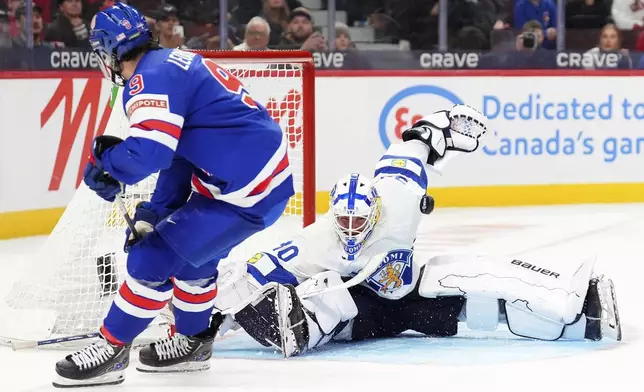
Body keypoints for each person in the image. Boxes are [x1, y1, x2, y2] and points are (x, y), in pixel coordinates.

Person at [213, 104, 622, 357]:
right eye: (345, 222)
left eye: (360, 220)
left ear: (376, 212)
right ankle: (298, 330)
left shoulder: (398, 197)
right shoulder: (316, 240)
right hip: (361, 317)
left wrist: (441, 125)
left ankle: (580, 309)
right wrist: (211, 317)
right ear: (332, 216)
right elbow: (254, 270)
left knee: (474, 280)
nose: (352, 228)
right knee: (329, 294)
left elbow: (415, 144)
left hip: (407, 297)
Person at [53, 3, 294, 388]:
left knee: (153, 258)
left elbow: (151, 153)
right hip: (248, 184)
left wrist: (107, 164)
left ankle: (111, 348)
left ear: (108, 51)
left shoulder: (147, 80)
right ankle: (193, 344)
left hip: (244, 193)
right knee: (193, 263)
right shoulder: (169, 63)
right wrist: (154, 210)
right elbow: (179, 156)